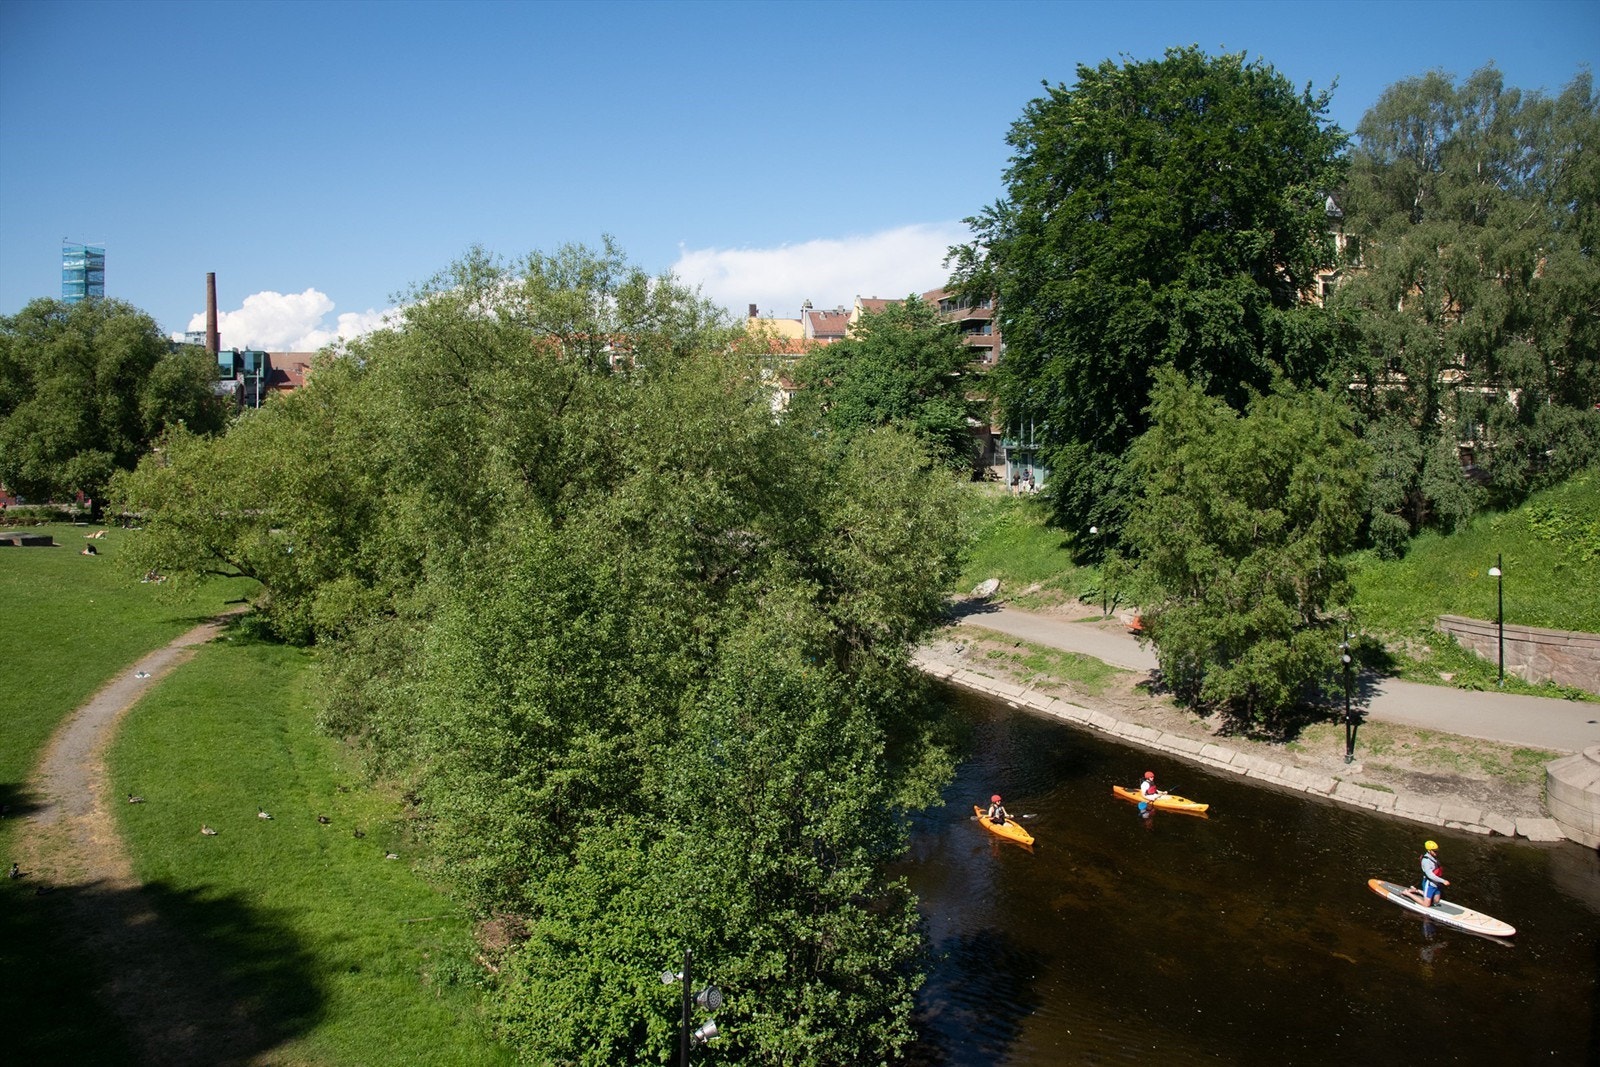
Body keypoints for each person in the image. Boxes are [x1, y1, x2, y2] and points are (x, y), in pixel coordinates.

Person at [1404, 841, 1450, 907]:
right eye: (1434, 851)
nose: (1436, 852)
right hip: (1429, 883)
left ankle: (1416, 891)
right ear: (1429, 850)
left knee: (1436, 901)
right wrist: (1443, 881)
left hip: (1436, 883)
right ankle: (1407, 893)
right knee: (1426, 904)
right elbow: (1430, 875)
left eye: (1437, 851)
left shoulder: (1434, 858)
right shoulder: (1426, 861)